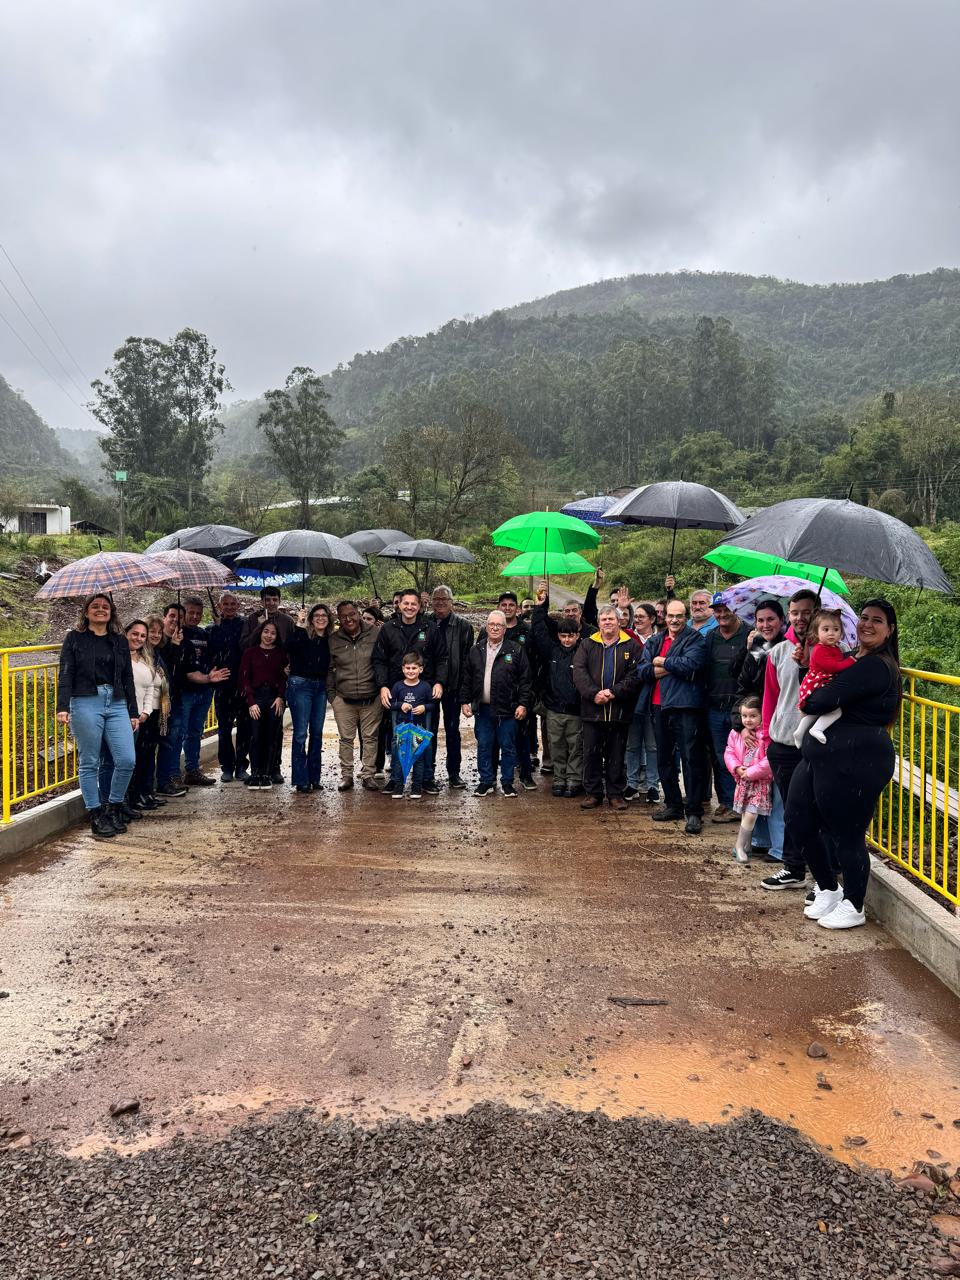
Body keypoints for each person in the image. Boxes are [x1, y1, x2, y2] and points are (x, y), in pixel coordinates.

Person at [791, 600, 901, 929]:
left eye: (877, 620)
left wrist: (815, 690)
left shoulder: (875, 666)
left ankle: (854, 903)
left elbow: (820, 700)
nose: (867, 624)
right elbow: (818, 691)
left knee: (846, 833)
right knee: (799, 820)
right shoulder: (850, 658)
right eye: (864, 617)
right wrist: (810, 666)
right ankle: (828, 888)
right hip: (821, 758)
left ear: (890, 630)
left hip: (857, 760)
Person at [56, 594, 139, 839]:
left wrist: (133, 711)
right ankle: (96, 813)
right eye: (95, 606)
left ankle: (113, 807)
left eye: (105, 606)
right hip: (85, 701)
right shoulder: (74, 638)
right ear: (86, 612)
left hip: (116, 702)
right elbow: (66, 673)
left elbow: (127, 677)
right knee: (90, 761)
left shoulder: (119, 640)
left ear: (111, 612)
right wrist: (63, 707)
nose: (100, 609)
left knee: (127, 759)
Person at [760, 588, 818, 890]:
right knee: (792, 809)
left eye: (807, 612)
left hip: (816, 743)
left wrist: (811, 661)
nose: (800, 618)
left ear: (818, 613)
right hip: (782, 741)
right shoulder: (778, 651)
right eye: (795, 612)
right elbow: (771, 697)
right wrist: (767, 737)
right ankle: (793, 867)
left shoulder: (831, 652)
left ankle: (824, 875)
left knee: (817, 808)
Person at [638, 600, 708, 834]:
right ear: (664, 617)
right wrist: (671, 666)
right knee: (664, 759)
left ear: (685, 617)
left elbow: (692, 666)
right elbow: (643, 671)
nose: (674, 620)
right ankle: (673, 805)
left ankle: (694, 811)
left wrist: (662, 661)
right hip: (658, 706)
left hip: (685, 706)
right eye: (670, 615)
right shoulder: (656, 640)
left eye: (679, 616)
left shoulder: (695, 639)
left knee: (691, 759)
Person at [373, 589, 446, 794]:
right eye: (406, 603)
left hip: (425, 692)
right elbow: (379, 659)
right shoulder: (388, 629)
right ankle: (396, 778)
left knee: (426, 737)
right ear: (399, 605)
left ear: (420, 606)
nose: (409, 607)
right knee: (397, 738)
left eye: (414, 604)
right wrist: (383, 685)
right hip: (397, 692)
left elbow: (442, 658)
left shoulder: (430, 628)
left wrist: (439, 682)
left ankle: (426, 778)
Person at [572, 605, 644, 811]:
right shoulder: (587, 644)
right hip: (592, 710)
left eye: (611, 618)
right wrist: (594, 693)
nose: (607, 622)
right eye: (603, 619)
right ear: (598, 622)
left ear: (619, 621)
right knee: (591, 754)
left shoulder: (632, 645)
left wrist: (613, 692)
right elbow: (579, 672)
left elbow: (635, 675)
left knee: (617, 755)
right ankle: (593, 793)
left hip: (619, 710)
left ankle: (615, 794)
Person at [460, 610, 531, 798]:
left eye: (499, 625)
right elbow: (467, 679)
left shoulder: (516, 650)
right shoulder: (476, 650)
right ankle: (486, 781)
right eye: (491, 624)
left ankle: (507, 783)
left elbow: (525, 680)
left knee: (508, 747)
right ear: (486, 626)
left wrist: (523, 704)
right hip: (483, 709)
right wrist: (465, 701)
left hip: (508, 708)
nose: (495, 628)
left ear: (505, 628)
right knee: (484, 745)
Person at [530, 585, 584, 797]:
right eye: (563, 636)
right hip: (554, 710)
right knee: (557, 747)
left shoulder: (584, 652)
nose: (567, 640)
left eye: (571, 636)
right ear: (559, 636)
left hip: (576, 711)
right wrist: (539, 607)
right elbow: (539, 631)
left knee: (575, 748)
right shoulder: (552, 651)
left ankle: (574, 780)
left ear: (577, 635)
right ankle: (559, 779)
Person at [703, 594, 749, 823]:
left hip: (742, 710)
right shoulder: (711, 637)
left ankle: (744, 803)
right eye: (717, 610)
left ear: (736, 609)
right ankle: (726, 802)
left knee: (745, 758)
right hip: (714, 707)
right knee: (721, 758)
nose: (721, 615)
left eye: (726, 610)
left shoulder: (749, 634)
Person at [327, 600, 382, 792]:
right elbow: (329, 669)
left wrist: (382, 689)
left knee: (370, 738)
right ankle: (347, 776)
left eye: (352, 614)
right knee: (346, 739)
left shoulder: (375, 633)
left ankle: (368, 775)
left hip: (371, 697)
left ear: (358, 614)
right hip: (343, 698)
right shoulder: (334, 639)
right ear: (338, 618)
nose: (348, 619)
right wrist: (332, 697)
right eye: (343, 616)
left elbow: (384, 661)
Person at [428, 585, 474, 789]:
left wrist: (465, 693)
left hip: (454, 687)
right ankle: (427, 773)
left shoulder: (464, 626)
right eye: (436, 599)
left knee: (453, 731)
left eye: (444, 599)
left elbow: (467, 662)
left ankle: (454, 773)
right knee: (428, 730)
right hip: (429, 687)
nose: (440, 603)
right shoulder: (425, 622)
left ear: (452, 602)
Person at [287, 604, 333, 793]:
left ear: (329, 618)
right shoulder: (303, 634)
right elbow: (290, 647)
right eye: (317, 615)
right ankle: (301, 779)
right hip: (301, 685)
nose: (321, 618)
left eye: (324, 615)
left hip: (320, 687)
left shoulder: (330, 639)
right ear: (311, 618)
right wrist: (299, 623)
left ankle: (314, 776)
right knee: (300, 733)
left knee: (317, 732)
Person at [793, 609, 856, 746]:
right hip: (816, 684)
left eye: (836, 629)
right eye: (826, 629)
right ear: (817, 632)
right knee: (836, 712)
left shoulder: (835, 647)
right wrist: (850, 662)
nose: (831, 633)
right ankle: (817, 729)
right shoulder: (820, 649)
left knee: (817, 713)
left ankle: (800, 731)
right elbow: (833, 667)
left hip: (822, 683)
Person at [723, 695, 773, 863]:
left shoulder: (766, 734)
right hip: (743, 781)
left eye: (753, 716)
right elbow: (729, 752)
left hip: (760, 782)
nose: (748, 720)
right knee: (746, 813)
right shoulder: (736, 733)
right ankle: (746, 845)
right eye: (744, 716)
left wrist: (751, 772)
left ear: (761, 714)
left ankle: (739, 846)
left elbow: (769, 759)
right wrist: (736, 768)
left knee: (751, 815)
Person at [237, 620, 287, 789]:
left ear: (276, 636)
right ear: (260, 632)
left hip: (274, 698)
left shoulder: (280, 653)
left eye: (273, 633)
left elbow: (283, 677)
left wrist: (280, 696)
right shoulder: (250, 653)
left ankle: (267, 773)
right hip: (256, 698)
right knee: (255, 735)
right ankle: (255, 772)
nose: (269, 636)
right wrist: (251, 702)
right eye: (266, 631)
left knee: (271, 736)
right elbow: (244, 678)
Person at [206, 592, 250, 784]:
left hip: (243, 684)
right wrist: (218, 628)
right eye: (226, 604)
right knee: (224, 729)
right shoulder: (211, 629)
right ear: (219, 606)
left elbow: (244, 647)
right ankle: (227, 766)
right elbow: (212, 652)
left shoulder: (244, 625)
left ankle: (241, 765)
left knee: (244, 728)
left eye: (233, 604)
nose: (230, 607)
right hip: (223, 686)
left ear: (238, 605)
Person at [624, 602, 661, 804]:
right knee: (633, 744)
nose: (637, 620)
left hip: (654, 698)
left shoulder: (660, 639)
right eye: (635, 616)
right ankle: (632, 783)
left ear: (652, 619)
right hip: (632, 698)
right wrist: (625, 608)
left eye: (641, 616)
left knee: (653, 745)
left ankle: (653, 785)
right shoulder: (628, 637)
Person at [124, 619, 158, 813]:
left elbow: (150, 686)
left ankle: (135, 796)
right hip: (123, 715)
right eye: (135, 634)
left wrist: (146, 711)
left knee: (138, 758)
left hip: (140, 717)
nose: (138, 638)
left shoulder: (145, 658)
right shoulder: (119, 657)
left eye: (142, 636)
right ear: (126, 633)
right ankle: (122, 801)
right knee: (124, 760)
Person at [388, 652, 433, 799]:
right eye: (408, 668)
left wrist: (424, 707)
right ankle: (398, 786)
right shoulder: (398, 686)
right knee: (399, 758)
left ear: (421, 669)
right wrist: (401, 705)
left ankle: (416, 787)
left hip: (418, 730)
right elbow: (391, 704)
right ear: (403, 669)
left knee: (418, 758)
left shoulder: (425, 687)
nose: (411, 671)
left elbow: (432, 704)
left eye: (414, 668)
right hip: (402, 730)